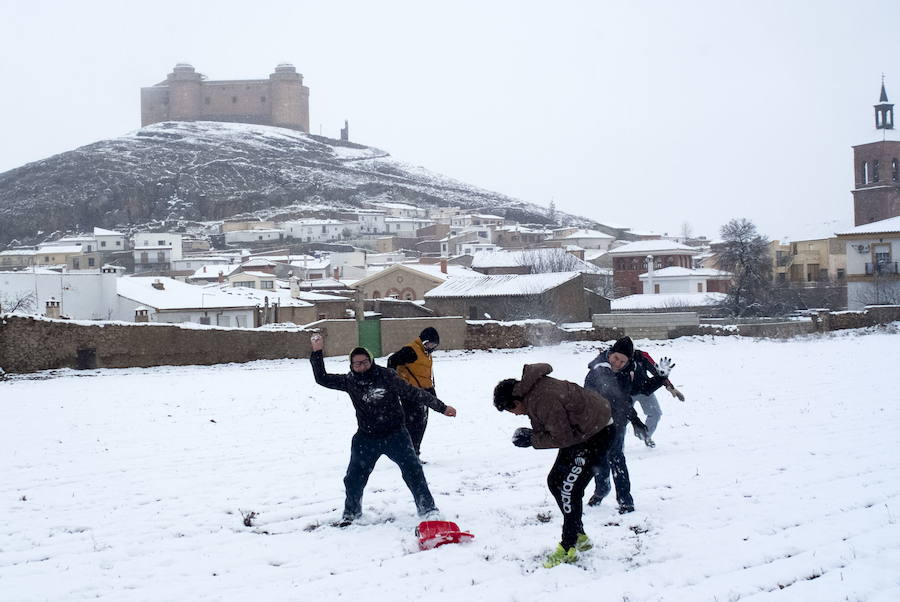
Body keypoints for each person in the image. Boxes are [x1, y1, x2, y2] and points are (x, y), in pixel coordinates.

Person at [309, 333, 457, 526]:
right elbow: (321, 378)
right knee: (353, 478)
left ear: (371, 360)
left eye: (364, 362)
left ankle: (428, 510)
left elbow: (414, 393)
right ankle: (351, 513)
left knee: (413, 471)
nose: (361, 366)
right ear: (351, 366)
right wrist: (317, 352)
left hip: (396, 435)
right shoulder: (349, 381)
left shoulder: (387, 376)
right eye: (357, 364)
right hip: (366, 437)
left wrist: (441, 407)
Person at [493, 363, 615, 568]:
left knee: (570, 489)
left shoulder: (542, 399)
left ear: (515, 401)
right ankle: (578, 535)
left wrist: (532, 439)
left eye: (509, 410)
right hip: (581, 433)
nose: (514, 415)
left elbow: (562, 437)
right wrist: (534, 436)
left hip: (596, 434)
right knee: (555, 481)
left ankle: (568, 547)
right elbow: (558, 431)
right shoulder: (533, 393)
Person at [583, 336, 674, 512]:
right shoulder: (598, 369)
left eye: (622, 361)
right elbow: (615, 399)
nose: (617, 363)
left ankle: (625, 500)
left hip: (618, 420)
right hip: (596, 419)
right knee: (599, 458)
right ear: (610, 354)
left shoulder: (631, 369)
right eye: (615, 358)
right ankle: (602, 489)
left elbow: (642, 389)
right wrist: (636, 420)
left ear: (628, 361)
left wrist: (660, 378)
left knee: (616, 457)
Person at [387, 326, 441, 458]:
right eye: (430, 344)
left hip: (422, 394)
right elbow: (392, 361)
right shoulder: (411, 350)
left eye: (434, 345)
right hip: (410, 394)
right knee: (413, 424)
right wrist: (395, 382)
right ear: (424, 341)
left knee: (421, 424)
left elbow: (423, 375)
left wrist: (431, 393)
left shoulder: (426, 353)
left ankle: (414, 452)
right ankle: (408, 454)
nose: (432, 347)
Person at [630, 349, 685, 447]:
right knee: (621, 419)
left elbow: (659, 372)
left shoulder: (642, 356)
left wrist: (670, 387)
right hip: (625, 393)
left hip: (644, 390)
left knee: (655, 414)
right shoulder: (616, 357)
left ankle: (646, 436)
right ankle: (615, 445)